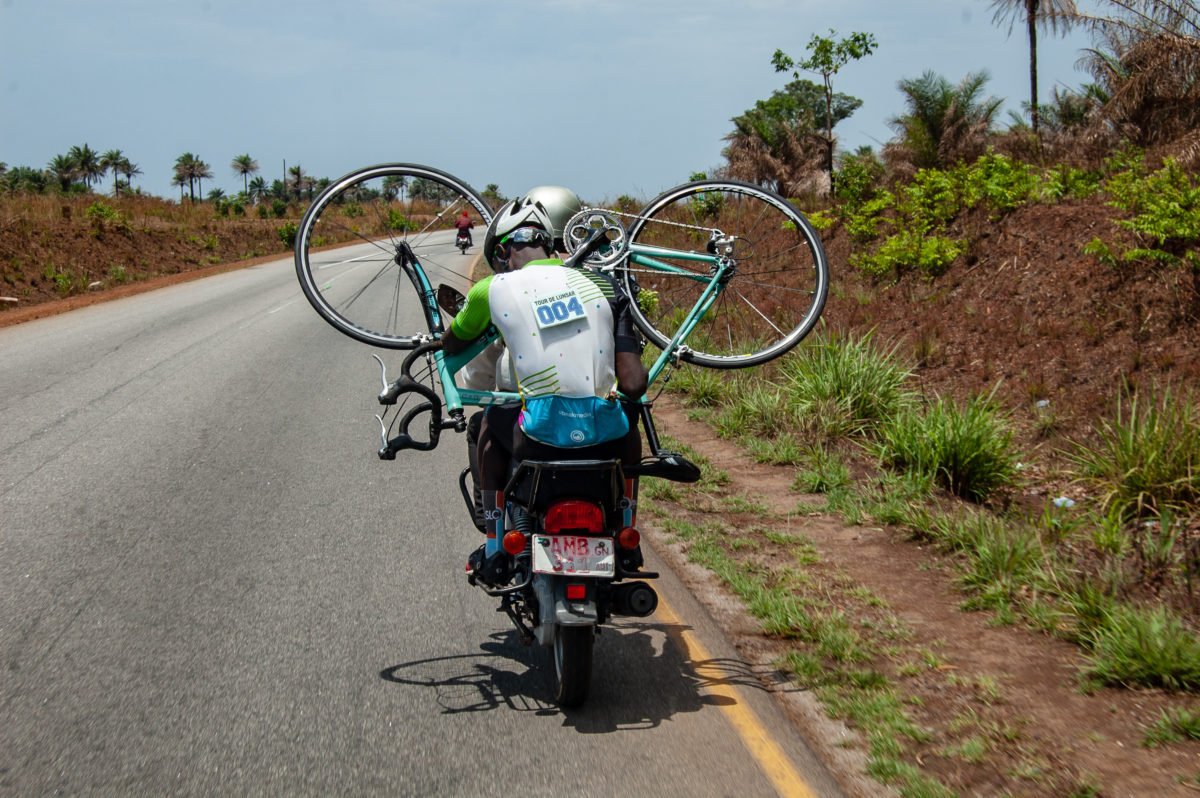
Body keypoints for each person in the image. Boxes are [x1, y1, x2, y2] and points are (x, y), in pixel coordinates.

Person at [441, 194, 647, 581]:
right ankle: (625, 528)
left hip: (536, 436)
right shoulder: (602, 284)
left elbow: (452, 344)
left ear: (502, 252)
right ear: (553, 245)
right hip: (608, 437)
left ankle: (493, 543)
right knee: (630, 418)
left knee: (487, 424)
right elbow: (634, 383)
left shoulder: (493, 288)